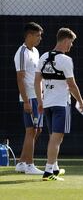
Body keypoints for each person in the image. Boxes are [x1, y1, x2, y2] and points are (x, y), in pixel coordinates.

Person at [35, 28, 83, 181]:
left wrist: (39, 101)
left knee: (54, 137)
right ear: (65, 41)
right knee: (56, 138)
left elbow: (37, 81)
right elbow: (72, 85)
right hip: (61, 105)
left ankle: (55, 168)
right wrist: (81, 102)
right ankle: (48, 172)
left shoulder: (43, 56)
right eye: (70, 42)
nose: (71, 46)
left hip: (48, 104)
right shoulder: (66, 60)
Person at [14, 22, 44, 175]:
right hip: (29, 97)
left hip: (37, 97)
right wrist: (26, 101)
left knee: (37, 130)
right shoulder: (21, 52)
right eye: (38, 35)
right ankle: (30, 165)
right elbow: (20, 79)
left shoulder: (36, 51)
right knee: (31, 130)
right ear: (30, 35)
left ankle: (21, 163)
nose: (40, 38)